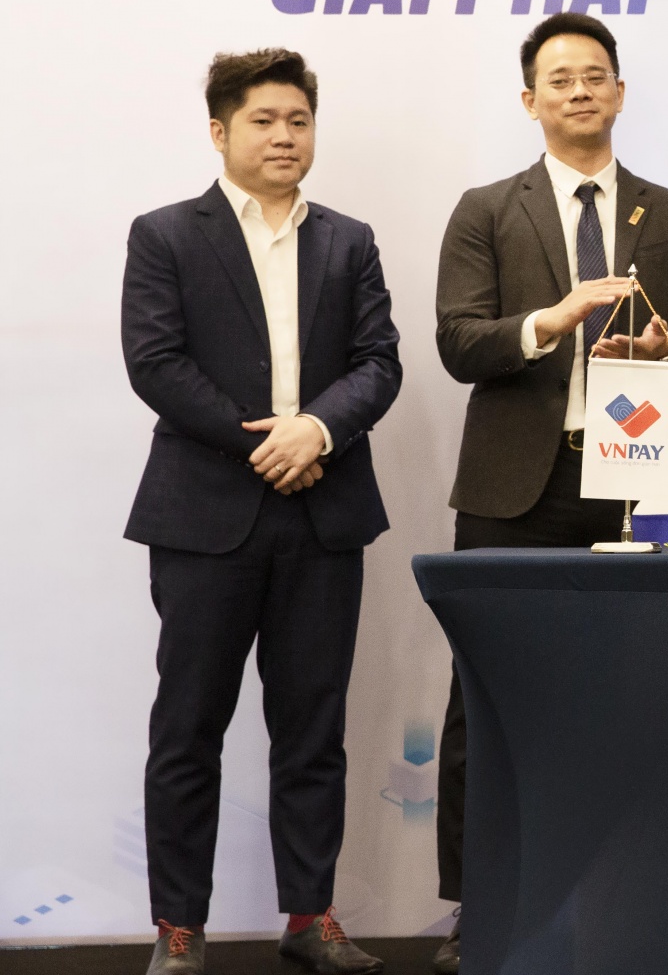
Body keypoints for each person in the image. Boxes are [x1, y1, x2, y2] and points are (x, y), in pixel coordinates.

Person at [431, 12, 668, 970]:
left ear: (621, 92)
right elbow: (458, 340)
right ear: (531, 100)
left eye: (596, 75)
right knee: (487, 700)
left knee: (654, 697)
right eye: (559, 79)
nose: (580, 90)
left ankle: (644, 902)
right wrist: (551, 321)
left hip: (642, 484)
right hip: (518, 487)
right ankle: (477, 905)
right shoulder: (487, 208)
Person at [122, 49, 401, 975]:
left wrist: (315, 431)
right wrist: (266, 446)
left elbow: (380, 362)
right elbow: (155, 364)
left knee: (313, 729)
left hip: (324, 512)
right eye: (264, 121)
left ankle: (310, 916)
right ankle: (179, 926)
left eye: (299, 121)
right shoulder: (166, 234)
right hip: (205, 518)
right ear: (220, 131)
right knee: (188, 727)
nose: (285, 136)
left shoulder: (349, 240)